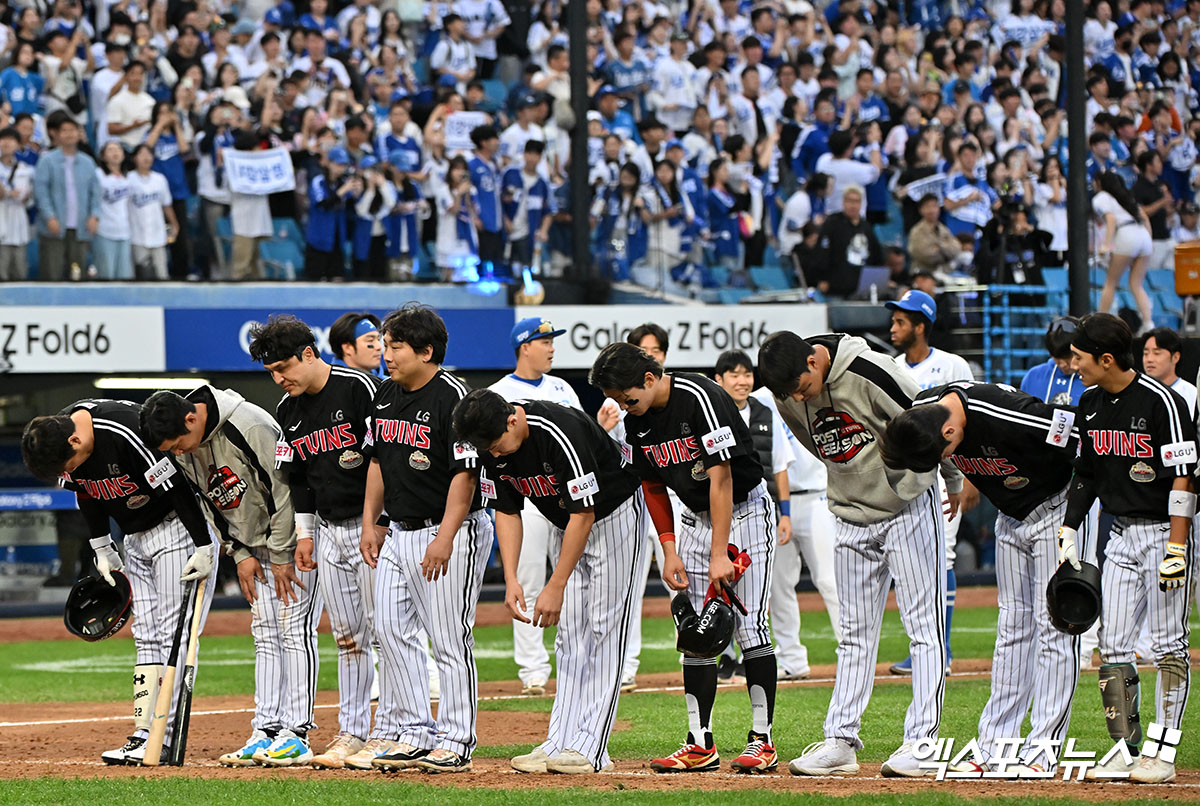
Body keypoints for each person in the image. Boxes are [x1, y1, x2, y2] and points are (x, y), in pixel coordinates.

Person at [757, 330, 962, 778]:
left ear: (814, 361)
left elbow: (931, 418)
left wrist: (953, 479)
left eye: (801, 388)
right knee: (853, 633)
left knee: (924, 627)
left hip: (907, 504)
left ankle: (922, 743)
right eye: (787, 393)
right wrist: (853, 476)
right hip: (849, 512)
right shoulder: (785, 390)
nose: (797, 397)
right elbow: (815, 442)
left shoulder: (871, 371)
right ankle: (841, 741)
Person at [589, 342, 779, 774]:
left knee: (749, 628)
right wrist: (669, 548)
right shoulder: (637, 423)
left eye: (628, 397)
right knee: (695, 634)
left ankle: (761, 741)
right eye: (617, 401)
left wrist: (719, 553)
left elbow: (723, 477)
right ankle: (699, 744)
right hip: (692, 519)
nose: (624, 407)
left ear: (650, 379)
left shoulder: (700, 397)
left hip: (743, 511)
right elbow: (652, 486)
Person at [882, 382, 1086, 773]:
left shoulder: (1008, 414)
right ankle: (995, 748)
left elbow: (1081, 435)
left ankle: (1042, 749)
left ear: (950, 432)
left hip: (1057, 510)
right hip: (1011, 516)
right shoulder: (924, 410)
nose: (946, 461)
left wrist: (1077, 518)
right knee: (1012, 628)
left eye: (942, 454)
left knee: (1055, 627)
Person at [452, 388, 644, 773]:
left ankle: (591, 748)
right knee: (571, 634)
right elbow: (506, 511)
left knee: (605, 628)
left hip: (613, 516)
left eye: (495, 445)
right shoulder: (494, 444)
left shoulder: (559, 428)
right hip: (565, 522)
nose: (493, 454)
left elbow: (585, 513)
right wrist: (510, 577)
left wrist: (555, 585)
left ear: (512, 420)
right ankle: (560, 740)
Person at [20, 400, 217, 766]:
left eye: (67, 464)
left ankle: (165, 737)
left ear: (76, 442)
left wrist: (204, 544)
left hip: (177, 526)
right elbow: (86, 490)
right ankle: (145, 733)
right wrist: (102, 546)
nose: (68, 471)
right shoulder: (62, 434)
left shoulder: (124, 430)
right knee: (146, 633)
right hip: (135, 537)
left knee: (175, 633)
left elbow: (177, 488)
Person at [140, 386, 319, 768]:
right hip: (252, 548)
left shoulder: (248, 424)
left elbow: (284, 488)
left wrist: (284, 552)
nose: (178, 453)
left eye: (178, 444)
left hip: (291, 542)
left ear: (192, 418)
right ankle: (267, 729)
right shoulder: (185, 445)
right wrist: (240, 554)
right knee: (265, 635)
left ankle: (297, 733)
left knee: (293, 631)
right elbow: (209, 502)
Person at [244, 315, 388, 769]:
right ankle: (352, 732)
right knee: (348, 638)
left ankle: (392, 730)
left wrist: (375, 520)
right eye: (270, 372)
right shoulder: (288, 411)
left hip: (374, 529)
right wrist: (304, 534)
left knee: (385, 633)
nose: (278, 378)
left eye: (283, 366)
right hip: (328, 530)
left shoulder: (359, 388)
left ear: (310, 354)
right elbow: (299, 480)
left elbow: (383, 460)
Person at [1057, 313, 1195, 784]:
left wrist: (1178, 543)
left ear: (1107, 359)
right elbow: (1087, 471)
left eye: (1079, 358)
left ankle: (1164, 750)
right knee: (1112, 645)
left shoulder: (1164, 401)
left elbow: (1184, 473)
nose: (1074, 366)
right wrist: (1070, 527)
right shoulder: (1090, 403)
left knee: (1168, 645)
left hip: (1161, 533)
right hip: (1118, 537)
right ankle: (1125, 747)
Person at [359, 304, 493, 773]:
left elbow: (466, 476)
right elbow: (376, 461)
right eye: (384, 345)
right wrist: (369, 521)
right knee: (391, 631)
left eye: (395, 346)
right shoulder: (384, 395)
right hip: (397, 530)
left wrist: (446, 537)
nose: (386, 354)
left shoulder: (455, 397)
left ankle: (456, 740)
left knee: (448, 637)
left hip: (448, 529)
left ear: (426, 350)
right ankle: (415, 732)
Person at [884, 289, 976, 676]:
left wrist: (968, 476)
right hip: (903, 477)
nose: (893, 327)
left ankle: (944, 649)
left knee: (945, 556)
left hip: (944, 474)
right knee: (913, 563)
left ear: (920, 326)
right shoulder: (890, 366)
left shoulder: (952, 365)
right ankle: (926, 647)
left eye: (901, 321)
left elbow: (973, 419)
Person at [487, 317, 581, 696]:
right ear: (525, 346)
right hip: (525, 497)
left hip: (564, 497)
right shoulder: (498, 392)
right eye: (545, 341)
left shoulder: (562, 388)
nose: (552, 347)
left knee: (573, 580)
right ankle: (533, 671)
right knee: (526, 580)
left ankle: (572, 662)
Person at [710, 350, 796, 679]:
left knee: (758, 586)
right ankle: (726, 654)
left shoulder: (765, 412)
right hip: (719, 513)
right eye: (734, 374)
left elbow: (779, 466)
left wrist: (783, 513)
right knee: (719, 586)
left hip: (757, 510)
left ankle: (751, 653)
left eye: (747, 374)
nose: (742, 380)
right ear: (719, 380)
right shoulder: (710, 412)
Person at [33, 114, 100, 281]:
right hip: (54, 226)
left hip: (80, 226)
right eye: (64, 130)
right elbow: (41, 192)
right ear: (56, 134)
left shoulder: (88, 162)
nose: (69, 134)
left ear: (79, 134)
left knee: (78, 276)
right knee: (52, 274)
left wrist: (95, 216)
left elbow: (96, 193)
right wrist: (50, 217)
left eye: (73, 130)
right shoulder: (47, 160)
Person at [1094, 171, 1154, 334]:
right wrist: (1148, 243)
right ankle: (1148, 323)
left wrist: (1106, 245)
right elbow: (1145, 218)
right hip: (1143, 236)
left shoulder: (1102, 197)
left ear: (1099, 183)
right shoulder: (1127, 196)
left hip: (1126, 234)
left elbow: (1111, 220)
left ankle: (1100, 322)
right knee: (1137, 284)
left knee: (1110, 283)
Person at [811, 185, 882, 298]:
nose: (853, 205)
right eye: (849, 200)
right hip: (836, 287)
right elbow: (821, 253)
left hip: (862, 290)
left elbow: (876, 256)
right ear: (843, 202)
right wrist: (822, 278)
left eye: (856, 201)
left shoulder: (866, 227)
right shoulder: (832, 224)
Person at [127, 144, 178, 281]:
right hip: (137, 234)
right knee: (142, 274)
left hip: (158, 234)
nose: (146, 158)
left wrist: (174, 225)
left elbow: (166, 205)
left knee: (162, 274)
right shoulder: (128, 179)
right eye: (142, 154)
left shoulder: (160, 179)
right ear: (135, 158)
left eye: (149, 154)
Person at [1021, 317, 1086, 406]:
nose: (1063, 365)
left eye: (1067, 358)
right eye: (1057, 358)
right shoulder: (1033, 376)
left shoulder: (1094, 380)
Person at [93, 140, 134, 281]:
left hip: (125, 232)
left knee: (124, 276)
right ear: (103, 156)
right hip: (105, 231)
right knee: (106, 275)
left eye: (118, 149)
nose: (115, 152)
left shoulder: (129, 177)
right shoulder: (98, 175)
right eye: (110, 150)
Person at [0, 126, 34, 281]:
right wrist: (8, 193)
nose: (6, 143)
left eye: (11, 140)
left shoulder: (24, 169)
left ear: (19, 145)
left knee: (20, 272)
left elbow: (23, 195)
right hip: (2, 221)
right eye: (3, 139)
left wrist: (9, 193)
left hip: (18, 224)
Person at [1141, 327, 1197, 414]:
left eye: (1157, 353)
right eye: (1145, 354)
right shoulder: (1138, 392)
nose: (1149, 359)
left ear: (1175, 357)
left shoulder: (1191, 394)